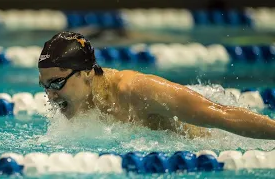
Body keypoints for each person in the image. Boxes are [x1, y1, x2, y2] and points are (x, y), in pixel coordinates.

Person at [38, 31, 275, 140]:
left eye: (57, 83)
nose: (50, 95)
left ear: (88, 73)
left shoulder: (136, 90)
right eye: (44, 85)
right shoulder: (78, 102)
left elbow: (220, 114)